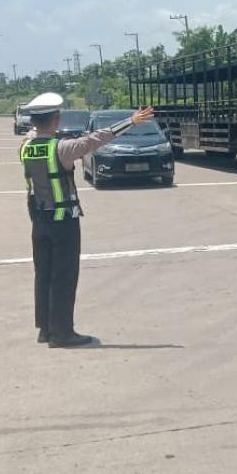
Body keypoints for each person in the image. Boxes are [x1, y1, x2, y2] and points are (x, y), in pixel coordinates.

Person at [21, 93, 154, 348]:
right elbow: (97, 138)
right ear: (56, 120)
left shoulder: (26, 146)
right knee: (64, 276)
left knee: (43, 274)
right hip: (63, 223)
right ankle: (63, 333)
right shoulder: (62, 148)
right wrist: (131, 121)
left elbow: (32, 135)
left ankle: (45, 329)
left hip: (38, 221)